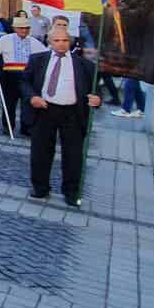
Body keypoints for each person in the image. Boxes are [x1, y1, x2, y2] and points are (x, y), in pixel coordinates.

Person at [26, 27, 101, 208]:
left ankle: (71, 192)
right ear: (50, 42)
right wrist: (32, 97)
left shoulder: (85, 65)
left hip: (73, 113)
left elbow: (94, 90)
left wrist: (98, 99)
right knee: (41, 152)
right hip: (45, 110)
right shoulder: (37, 60)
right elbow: (24, 82)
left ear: (71, 42)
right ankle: (40, 187)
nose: (61, 44)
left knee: (73, 154)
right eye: (57, 40)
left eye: (65, 40)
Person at [0, 15, 48, 137]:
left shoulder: (34, 41)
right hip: (10, 75)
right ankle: (7, 126)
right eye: (21, 28)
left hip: (28, 76)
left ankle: (26, 127)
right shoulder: (5, 39)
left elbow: (45, 55)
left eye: (26, 28)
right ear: (15, 28)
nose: (24, 30)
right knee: (9, 102)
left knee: (28, 103)